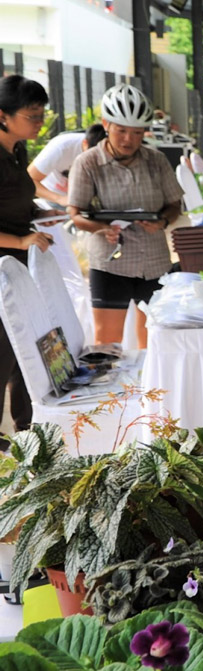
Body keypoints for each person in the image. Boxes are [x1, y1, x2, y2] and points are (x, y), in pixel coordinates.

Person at [67, 84, 182, 349]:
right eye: (121, 130)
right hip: (109, 263)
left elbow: (175, 204)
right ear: (106, 124)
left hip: (153, 261)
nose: (128, 139)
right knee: (107, 343)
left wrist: (162, 221)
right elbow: (75, 214)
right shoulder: (88, 163)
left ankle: (150, 391)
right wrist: (100, 228)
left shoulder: (157, 160)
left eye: (137, 133)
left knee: (154, 340)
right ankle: (112, 392)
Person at [0, 75, 56, 430]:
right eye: (31, 115)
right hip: (4, 264)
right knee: (2, 355)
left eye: (41, 115)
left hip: (21, 265)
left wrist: (40, 214)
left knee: (27, 351)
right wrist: (19, 241)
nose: (39, 123)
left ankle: (29, 431)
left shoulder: (18, 150)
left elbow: (13, 202)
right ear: (3, 115)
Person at [25, 124, 105, 206]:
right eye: (92, 155)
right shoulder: (60, 148)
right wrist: (59, 199)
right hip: (56, 199)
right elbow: (28, 180)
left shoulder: (115, 149)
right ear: (85, 143)